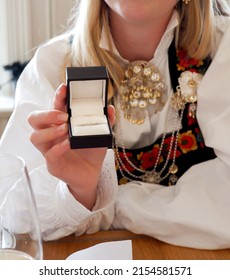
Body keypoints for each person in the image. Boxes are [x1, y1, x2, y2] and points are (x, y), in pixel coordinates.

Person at [1, 0, 230, 249]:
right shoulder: (51, 65)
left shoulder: (224, 48)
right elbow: (17, 222)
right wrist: (79, 191)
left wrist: (113, 207)